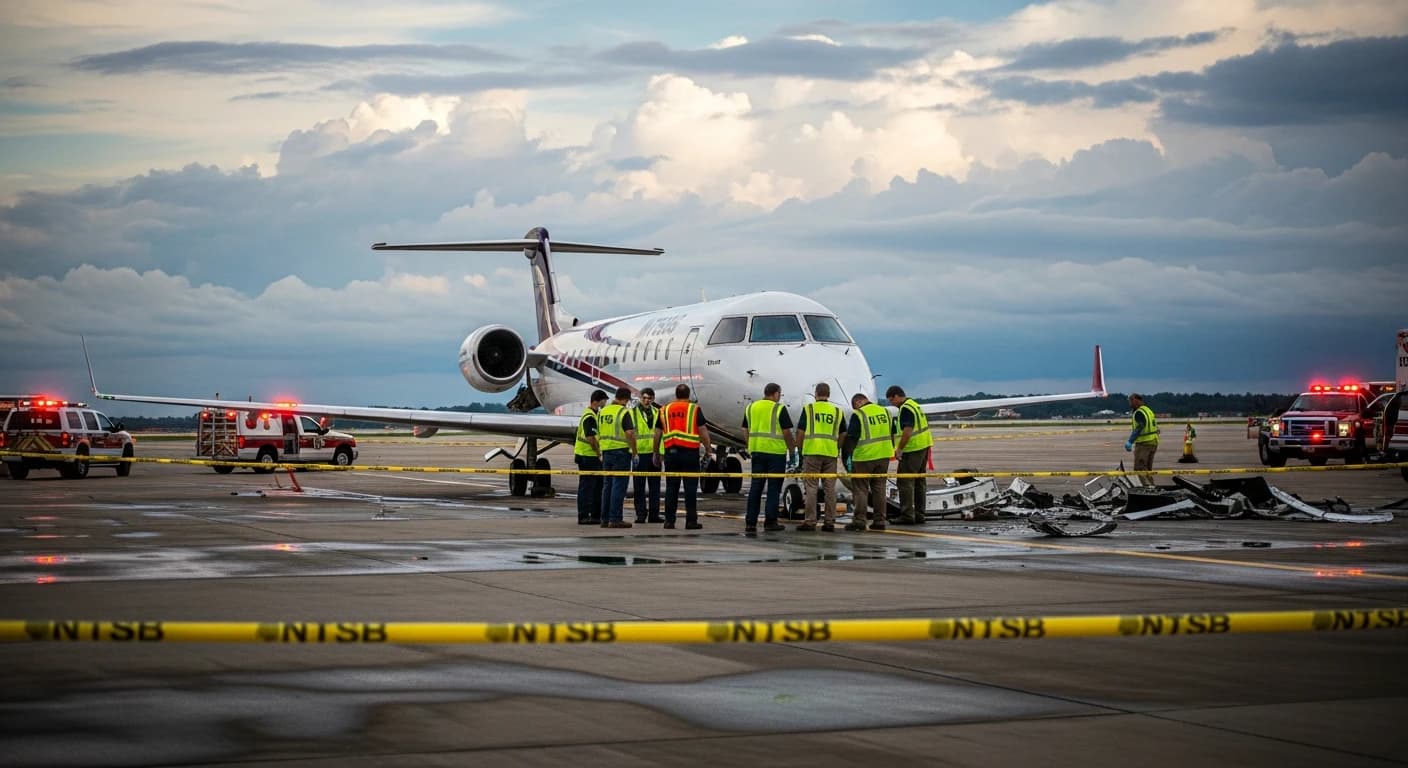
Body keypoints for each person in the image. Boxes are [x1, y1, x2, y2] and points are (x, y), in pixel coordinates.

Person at [654, 383, 712, 529]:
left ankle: (669, 521)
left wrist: (656, 452)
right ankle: (691, 521)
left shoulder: (664, 410)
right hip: (690, 454)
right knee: (690, 489)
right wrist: (708, 449)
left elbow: (657, 434)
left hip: (671, 454)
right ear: (689, 395)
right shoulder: (694, 409)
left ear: (676, 395)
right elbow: (702, 430)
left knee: (671, 488)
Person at [742, 382, 796, 534]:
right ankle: (770, 521)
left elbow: (744, 429)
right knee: (773, 489)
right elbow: (787, 432)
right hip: (775, 454)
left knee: (756, 487)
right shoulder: (779, 409)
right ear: (776, 394)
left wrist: (750, 445)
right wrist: (792, 451)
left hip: (757, 453)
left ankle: (750, 523)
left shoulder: (751, 407)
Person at [796, 382, 841, 532]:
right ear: (829, 394)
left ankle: (810, 521)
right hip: (830, 453)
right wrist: (837, 446)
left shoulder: (809, 409)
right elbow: (843, 433)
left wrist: (800, 447)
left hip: (812, 452)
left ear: (816, 394)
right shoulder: (836, 411)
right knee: (830, 489)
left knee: (811, 487)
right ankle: (829, 521)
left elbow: (801, 431)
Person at [844, 393, 892, 531]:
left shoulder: (859, 414)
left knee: (860, 489)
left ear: (858, 402)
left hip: (864, 457)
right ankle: (880, 520)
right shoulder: (885, 412)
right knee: (879, 489)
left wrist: (847, 456)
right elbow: (892, 433)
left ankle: (859, 520)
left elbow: (852, 437)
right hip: (883, 456)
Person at [886, 385, 931, 525]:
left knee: (905, 481)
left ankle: (907, 515)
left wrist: (899, 449)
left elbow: (908, 430)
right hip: (923, 446)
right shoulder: (914, 405)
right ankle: (919, 514)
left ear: (896, 396)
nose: (891, 404)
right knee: (919, 482)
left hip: (912, 449)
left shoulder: (905, 409)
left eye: (891, 401)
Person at [597, 386, 637, 528]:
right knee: (618, 486)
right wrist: (634, 451)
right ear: (625, 399)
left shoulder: (603, 411)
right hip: (620, 453)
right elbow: (630, 433)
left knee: (607, 486)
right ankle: (615, 519)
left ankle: (605, 519)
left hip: (606, 452)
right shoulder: (623, 412)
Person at [573, 390, 608, 525]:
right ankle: (583, 515)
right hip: (587, 455)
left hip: (587, 455)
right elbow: (590, 437)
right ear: (598, 401)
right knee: (587, 487)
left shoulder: (593, 414)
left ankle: (594, 514)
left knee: (595, 486)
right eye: (604, 401)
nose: (605, 403)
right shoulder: (590, 416)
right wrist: (598, 453)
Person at [630, 387, 663, 523]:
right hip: (640, 454)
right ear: (640, 398)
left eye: (649, 398)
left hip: (654, 454)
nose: (646, 401)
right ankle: (641, 514)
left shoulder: (658, 413)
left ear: (653, 399)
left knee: (655, 487)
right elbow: (630, 433)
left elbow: (661, 434)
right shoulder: (632, 413)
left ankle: (654, 515)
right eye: (644, 398)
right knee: (639, 486)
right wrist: (634, 452)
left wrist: (660, 453)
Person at [1125, 393, 1160, 473]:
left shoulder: (1139, 412)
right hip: (1153, 442)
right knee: (1148, 469)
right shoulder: (1148, 410)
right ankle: (1149, 485)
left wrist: (1130, 441)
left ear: (1136, 400)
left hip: (1144, 444)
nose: (1130, 404)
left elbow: (1140, 427)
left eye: (1131, 401)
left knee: (1140, 469)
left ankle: (1143, 485)